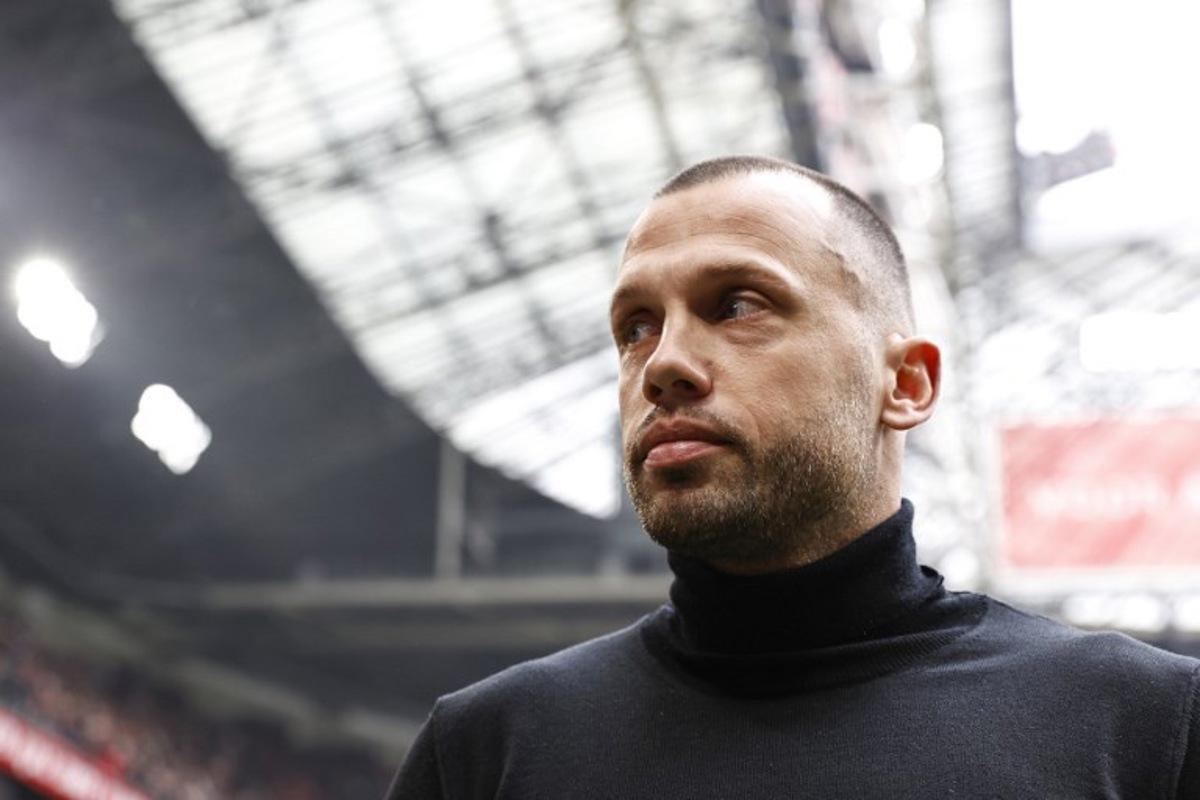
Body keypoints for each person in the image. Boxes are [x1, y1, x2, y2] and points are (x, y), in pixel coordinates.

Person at [385, 156, 1200, 799]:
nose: (663, 362)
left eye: (738, 305)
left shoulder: (1149, 728)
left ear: (906, 384)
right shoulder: (487, 750)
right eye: (635, 326)